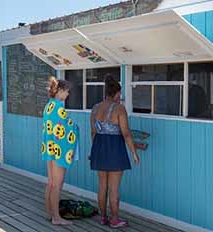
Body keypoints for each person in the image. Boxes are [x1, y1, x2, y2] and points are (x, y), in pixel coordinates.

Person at [89, 76, 139, 228]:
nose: (120, 97)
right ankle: (115, 219)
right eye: (119, 94)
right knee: (114, 188)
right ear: (116, 93)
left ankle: (103, 217)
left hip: (99, 147)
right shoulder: (119, 109)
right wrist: (134, 153)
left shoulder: (95, 108)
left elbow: (93, 133)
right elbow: (126, 134)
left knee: (102, 185)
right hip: (115, 149)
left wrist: (95, 150)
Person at [41, 76, 79, 226]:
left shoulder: (48, 105)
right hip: (58, 150)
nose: (68, 95)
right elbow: (65, 128)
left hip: (48, 148)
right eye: (67, 92)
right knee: (57, 184)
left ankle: (49, 213)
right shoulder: (59, 107)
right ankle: (57, 218)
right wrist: (75, 127)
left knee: (50, 182)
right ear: (60, 91)